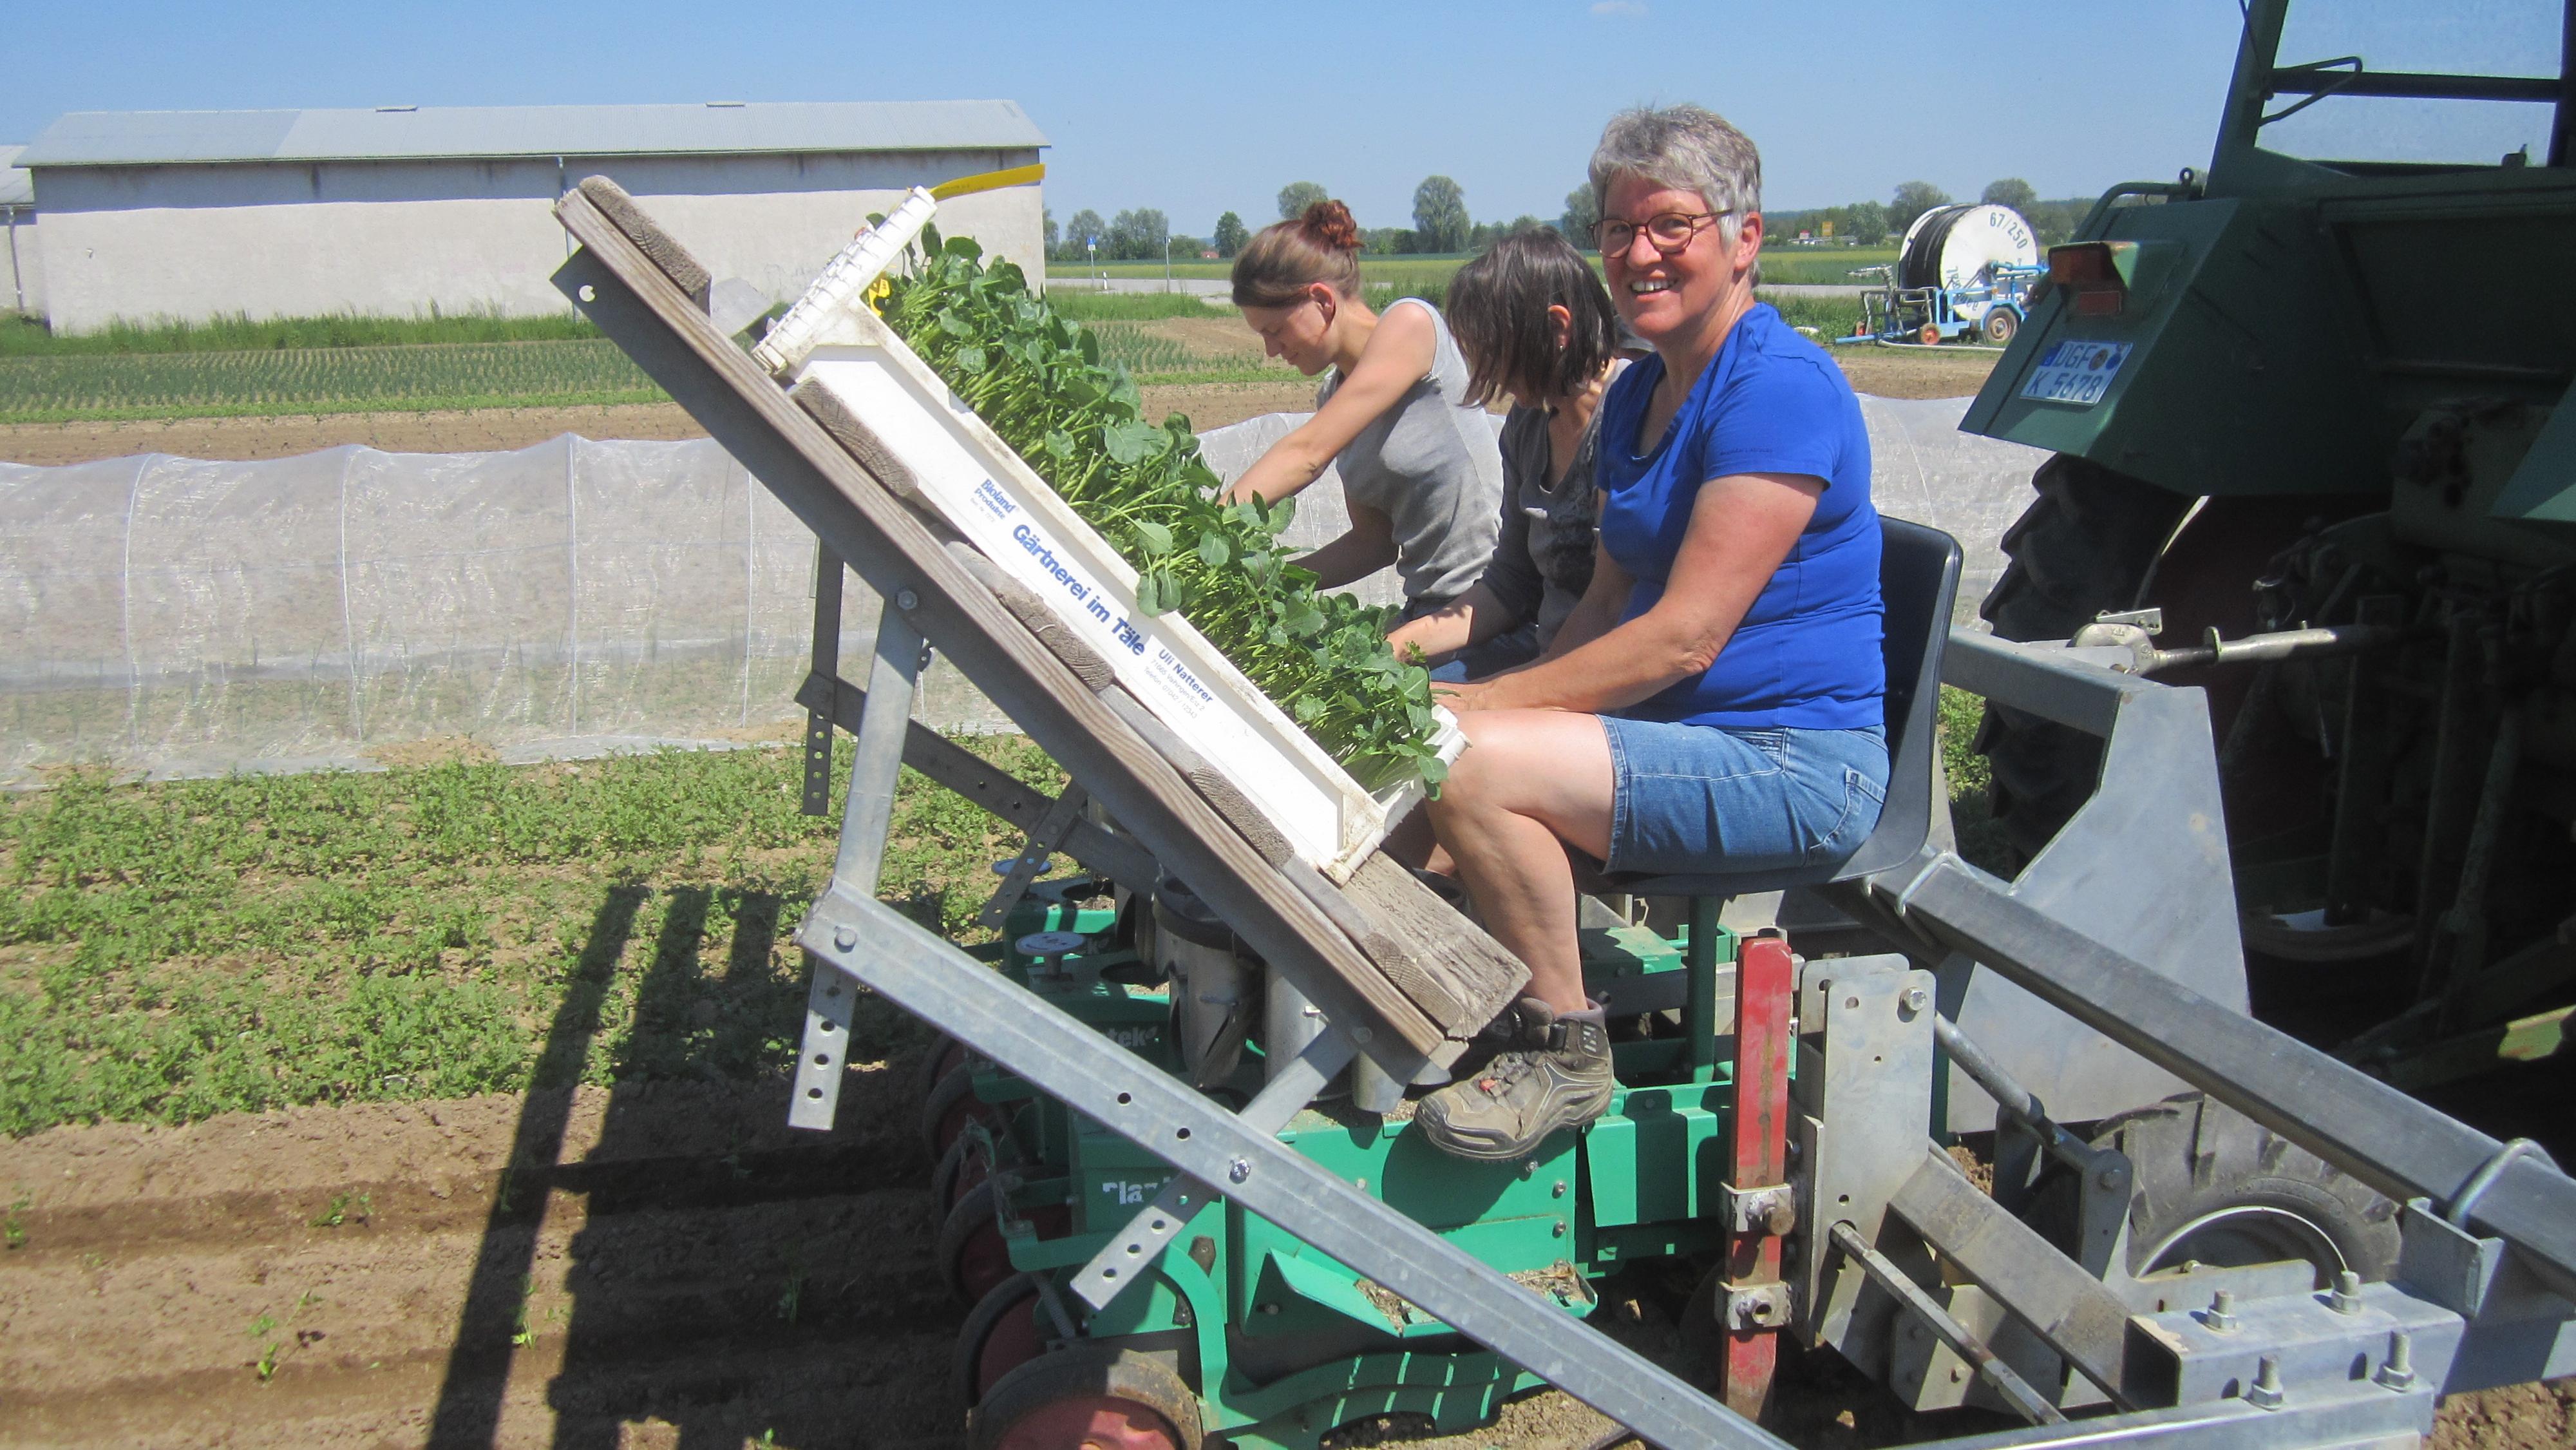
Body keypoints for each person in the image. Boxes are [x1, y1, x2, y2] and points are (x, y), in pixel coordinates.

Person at [1412, 105, 1888, 1161]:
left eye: (1670, 224)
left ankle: (1562, 1052)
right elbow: (1599, 610)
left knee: (1466, 759)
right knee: (1432, 775)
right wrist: (1502, 700)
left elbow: (1681, 640)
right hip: (1683, 743)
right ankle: (1415, 1008)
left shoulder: (1778, 391)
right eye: (1619, 229)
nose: (1637, 253)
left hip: (1792, 765)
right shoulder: (1640, 402)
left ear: (1745, 238)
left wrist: (1481, 710)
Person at [1219, 201, 1502, 627]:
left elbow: (1308, 452)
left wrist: (1208, 526)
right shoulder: (1334, 399)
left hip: (1487, 602)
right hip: (1426, 611)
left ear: (1322, 300)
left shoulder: (1411, 326)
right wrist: (1271, 581)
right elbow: (1374, 543)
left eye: (1275, 331)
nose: (1271, 351)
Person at [1386, 227, 1629, 678]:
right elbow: (1509, 585)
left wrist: (1501, 692)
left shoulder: (1632, 414)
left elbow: (1615, 605)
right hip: (1544, 662)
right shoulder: (1528, 425)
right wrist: (1389, 649)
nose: (1485, 370)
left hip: (1603, 678)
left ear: (1557, 328)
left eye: (1495, 350)